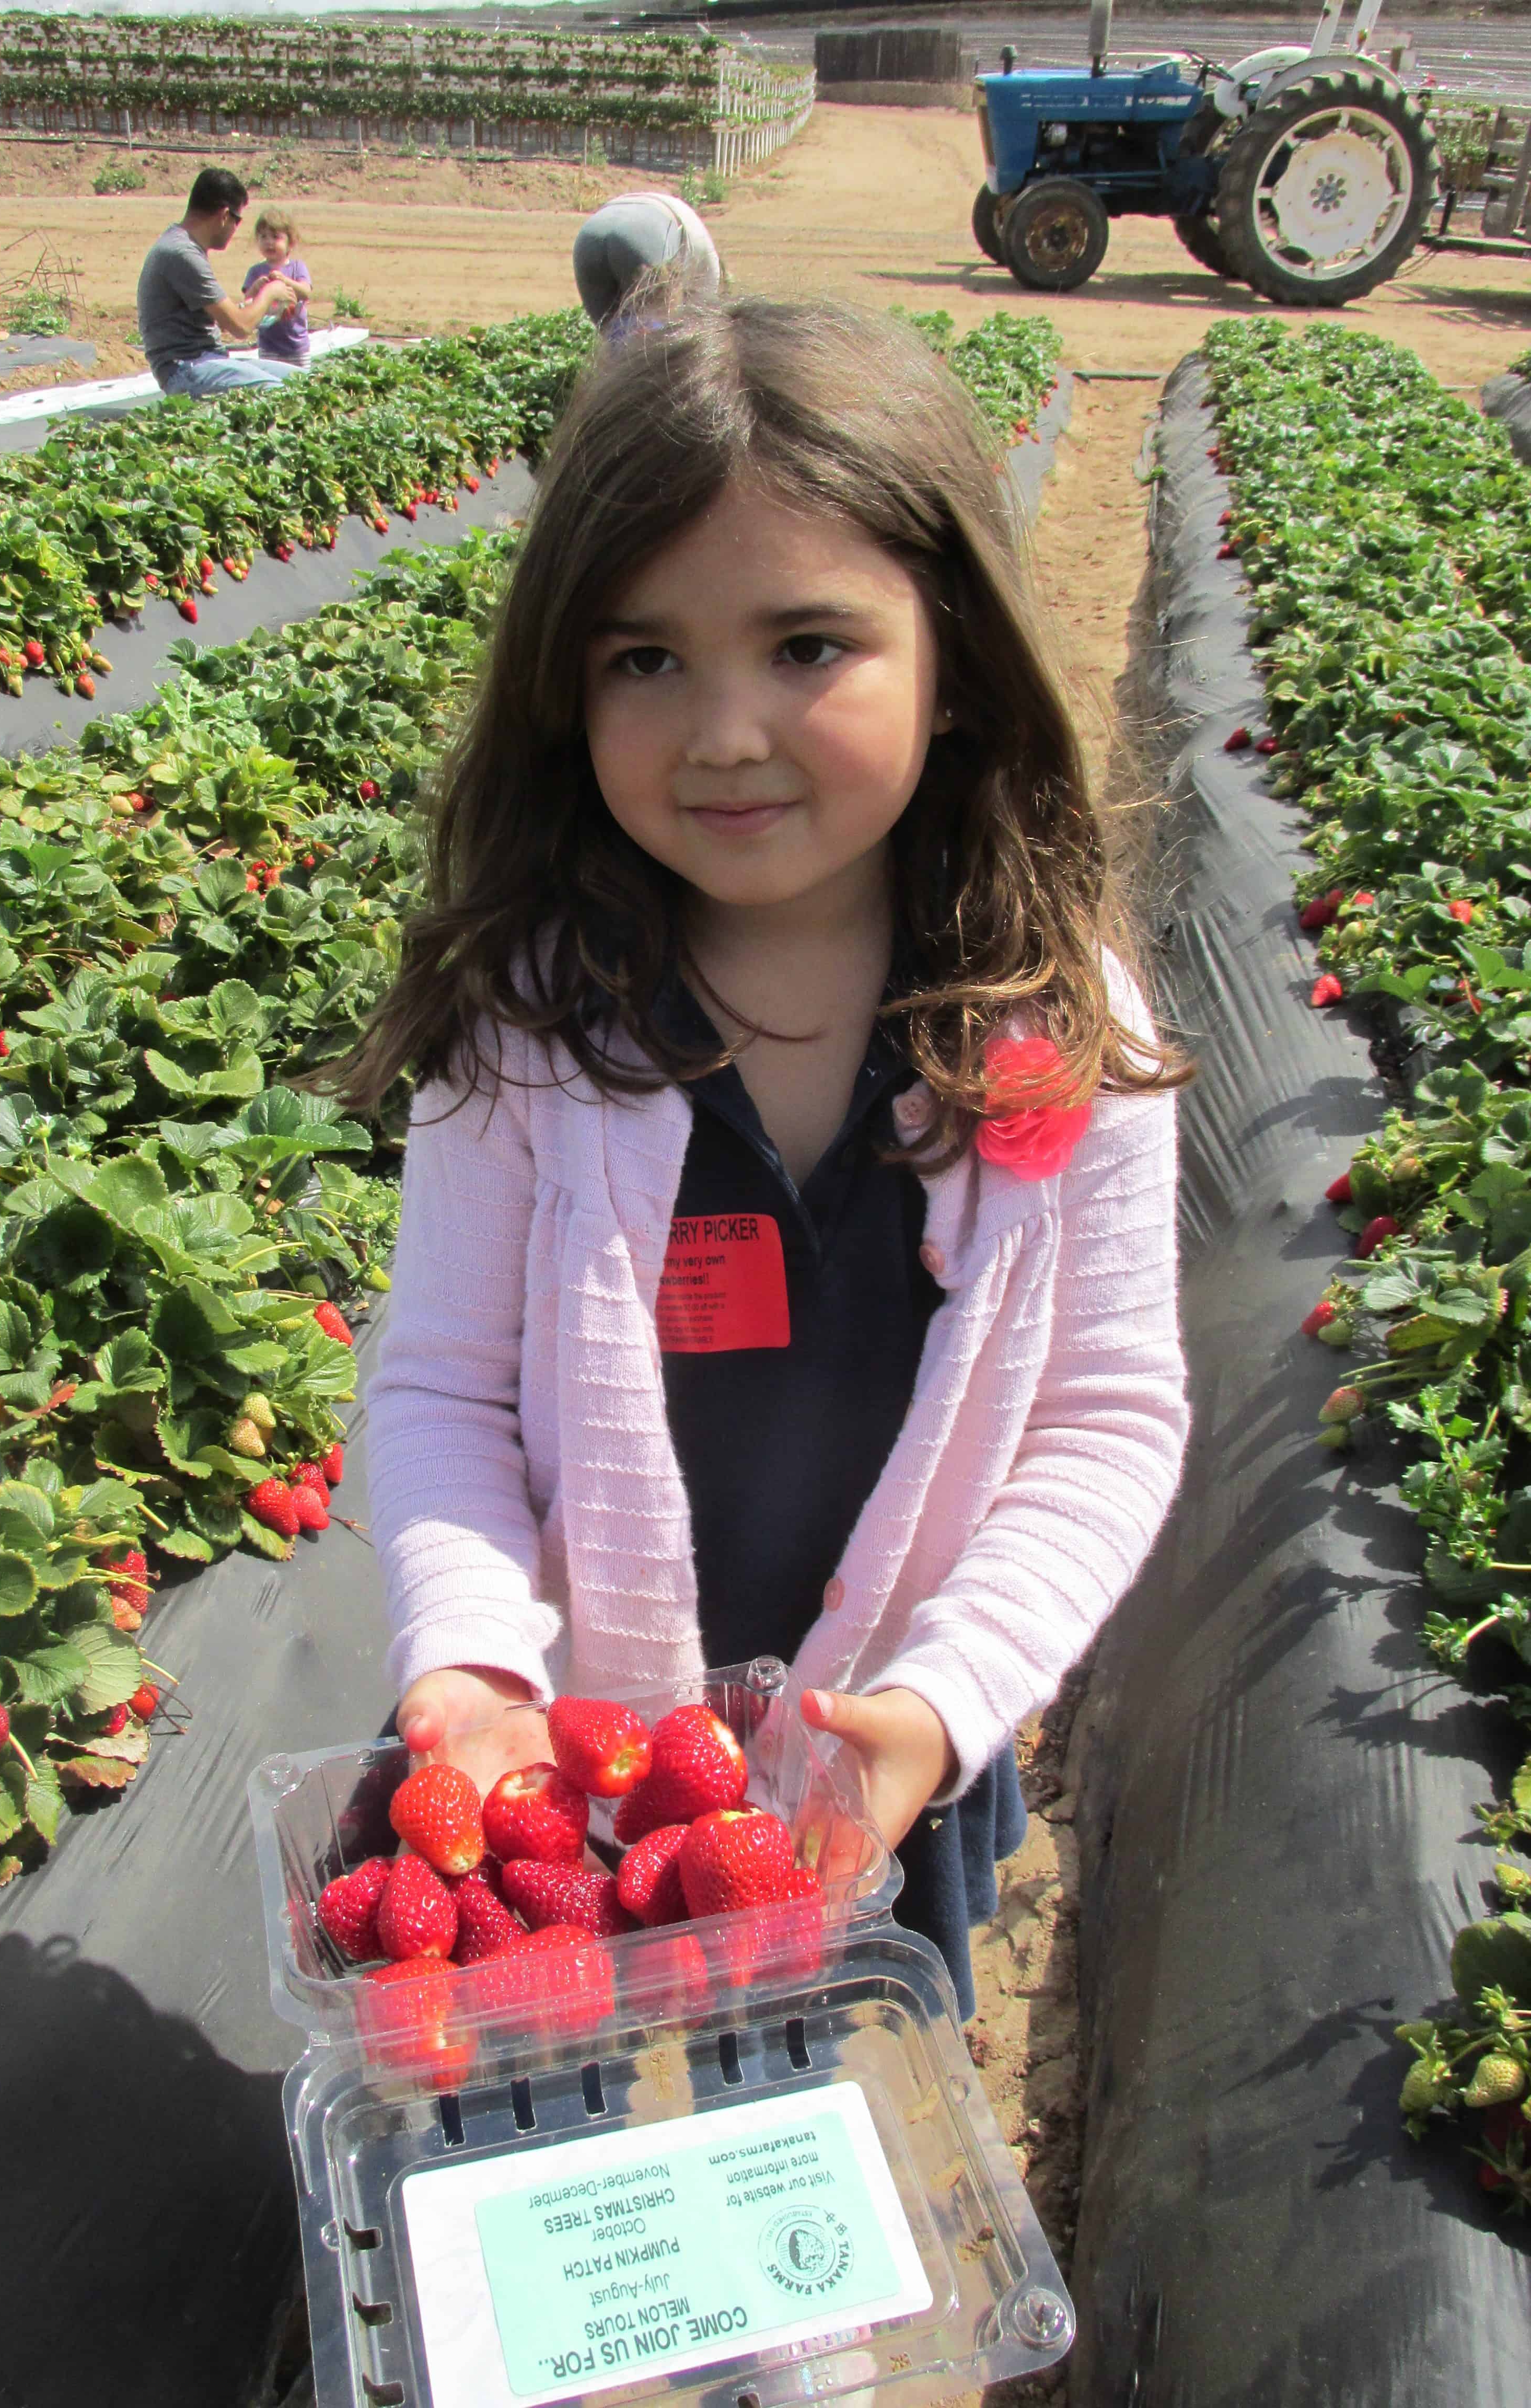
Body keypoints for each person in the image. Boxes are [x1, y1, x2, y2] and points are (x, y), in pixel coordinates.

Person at [345, 298, 1188, 2021]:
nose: (722, 729)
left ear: (951, 653)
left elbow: (1105, 1415)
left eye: (806, 646)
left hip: (863, 1762)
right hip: (564, 1753)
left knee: (836, 2146)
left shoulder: (1049, 1027)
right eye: (642, 658)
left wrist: (944, 1703)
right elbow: (440, 1389)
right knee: (570, 2144)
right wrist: (475, 1660)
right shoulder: (537, 1017)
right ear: (562, 684)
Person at [136, 167, 303, 398]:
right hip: (184, 370)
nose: (236, 229)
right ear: (225, 216)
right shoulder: (182, 253)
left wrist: (253, 302)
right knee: (281, 394)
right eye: (238, 220)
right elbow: (240, 327)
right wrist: (271, 294)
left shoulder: (182, 245)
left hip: (206, 362)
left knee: (303, 382)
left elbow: (224, 318)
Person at [572, 189, 721, 329]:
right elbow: (703, 319)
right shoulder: (711, 272)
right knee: (657, 339)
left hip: (589, 236)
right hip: (646, 232)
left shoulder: (698, 239)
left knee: (608, 333)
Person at [242, 207, 313, 372]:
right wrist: (256, 287)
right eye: (263, 237)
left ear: (291, 243)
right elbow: (247, 302)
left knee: (300, 384)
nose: (269, 242)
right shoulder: (256, 272)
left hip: (297, 345)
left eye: (276, 237)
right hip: (269, 346)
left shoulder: (298, 268)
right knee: (272, 385)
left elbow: (306, 292)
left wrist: (286, 282)